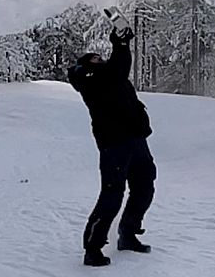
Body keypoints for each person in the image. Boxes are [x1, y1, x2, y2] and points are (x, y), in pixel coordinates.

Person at [67, 26, 157, 267]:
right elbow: (116, 70)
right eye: (95, 58)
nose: (100, 58)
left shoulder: (109, 74)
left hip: (136, 140)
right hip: (114, 146)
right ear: (87, 65)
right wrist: (120, 45)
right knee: (112, 195)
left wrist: (122, 45)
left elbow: (118, 69)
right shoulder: (88, 79)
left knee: (145, 187)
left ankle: (128, 233)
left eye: (101, 57)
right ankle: (92, 248)